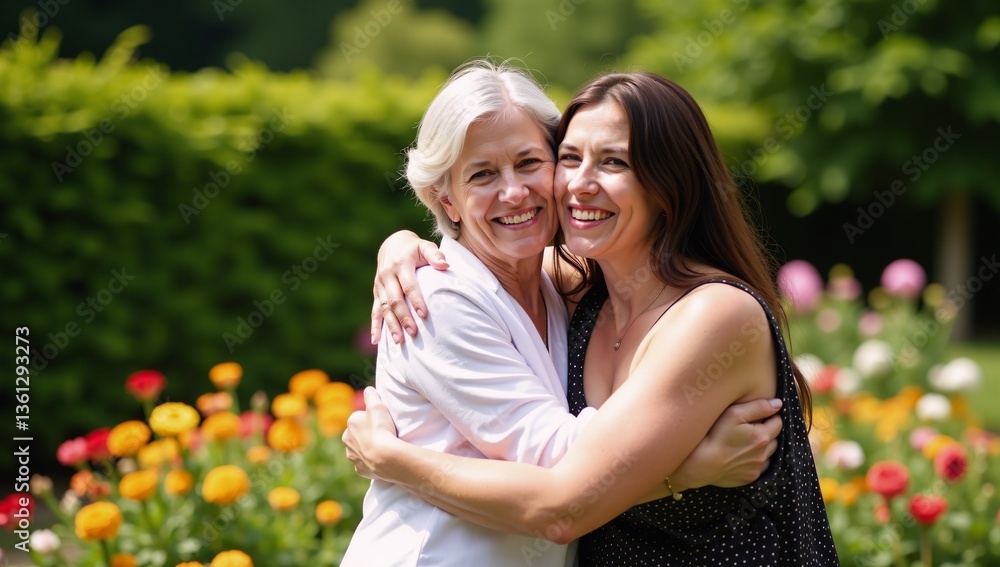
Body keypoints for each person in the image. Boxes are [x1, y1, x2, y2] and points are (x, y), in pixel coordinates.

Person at [345, 71, 838, 565]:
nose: (579, 184)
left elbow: (572, 496)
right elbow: (571, 493)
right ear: (445, 197)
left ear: (669, 182)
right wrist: (687, 468)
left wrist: (394, 461)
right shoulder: (529, 290)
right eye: (571, 158)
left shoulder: (705, 312)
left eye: (613, 162)